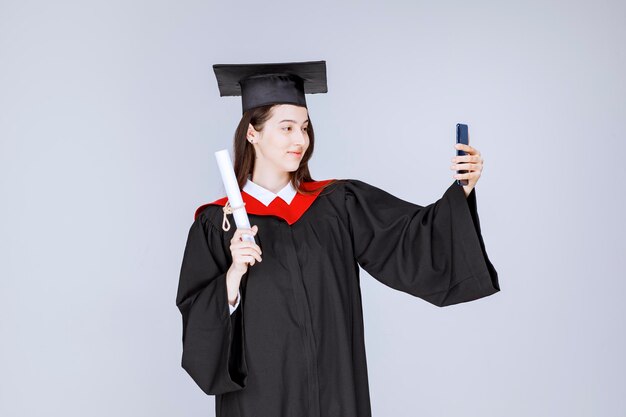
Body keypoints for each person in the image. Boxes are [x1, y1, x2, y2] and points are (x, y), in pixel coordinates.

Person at [175, 60, 500, 417]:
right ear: (253, 132)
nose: (300, 140)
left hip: (335, 396)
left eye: (305, 128)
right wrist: (233, 276)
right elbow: (199, 331)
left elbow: (411, 241)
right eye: (286, 128)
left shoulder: (338, 205)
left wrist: (462, 191)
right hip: (260, 402)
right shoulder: (218, 224)